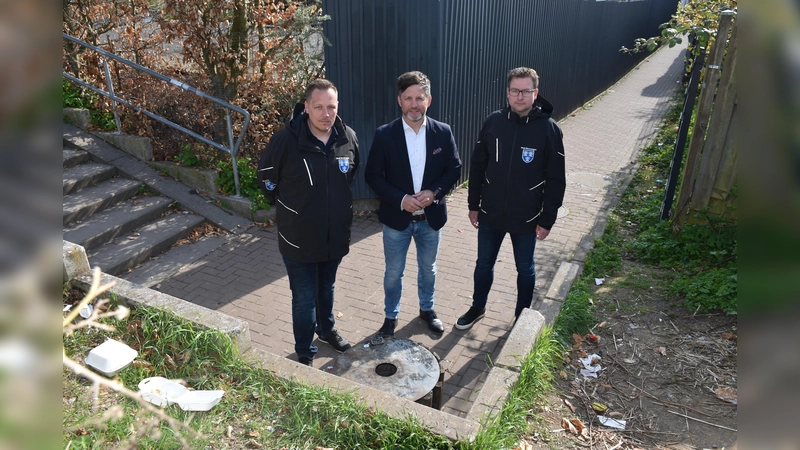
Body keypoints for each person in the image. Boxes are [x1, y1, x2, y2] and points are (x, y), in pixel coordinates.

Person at [257, 79, 360, 366]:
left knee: (326, 288)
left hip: (334, 237)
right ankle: (304, 350)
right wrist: (290, 208)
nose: (326, 114)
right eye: (319, 107)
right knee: (303, 298)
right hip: (298, 239)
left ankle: (326, 331)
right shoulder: (285, 141)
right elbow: (266, 179)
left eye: (331, 107)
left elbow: (350, 174)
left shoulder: (347, 137)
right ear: (306, 107)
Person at [456, 67, 566, 330]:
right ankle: (477, 307)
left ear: (535, 93)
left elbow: (556, 180)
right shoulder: (493, 122)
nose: (520, 96)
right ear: (507, 92)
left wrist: (547, 218)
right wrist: (473, 204)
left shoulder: (549, 130)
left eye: (526, 91)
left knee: (525, 269)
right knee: (483, 264)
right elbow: (478, 164)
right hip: (491, 212)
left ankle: (521, 316)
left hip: (527, 215)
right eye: (515, 90)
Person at [365, 71, 462, 336]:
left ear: (429, 100)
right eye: (408, 98)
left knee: (428, 269)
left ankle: (427, 309)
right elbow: (372, 175)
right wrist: (401, 199)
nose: (414, 104)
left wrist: (435, 192)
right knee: (393, 272)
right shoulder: (385, 135)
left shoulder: (443, 132)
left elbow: (454, 169)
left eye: (419, 98)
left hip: (430, 220)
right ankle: (390, 316)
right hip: (397, 221)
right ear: (399, 101)